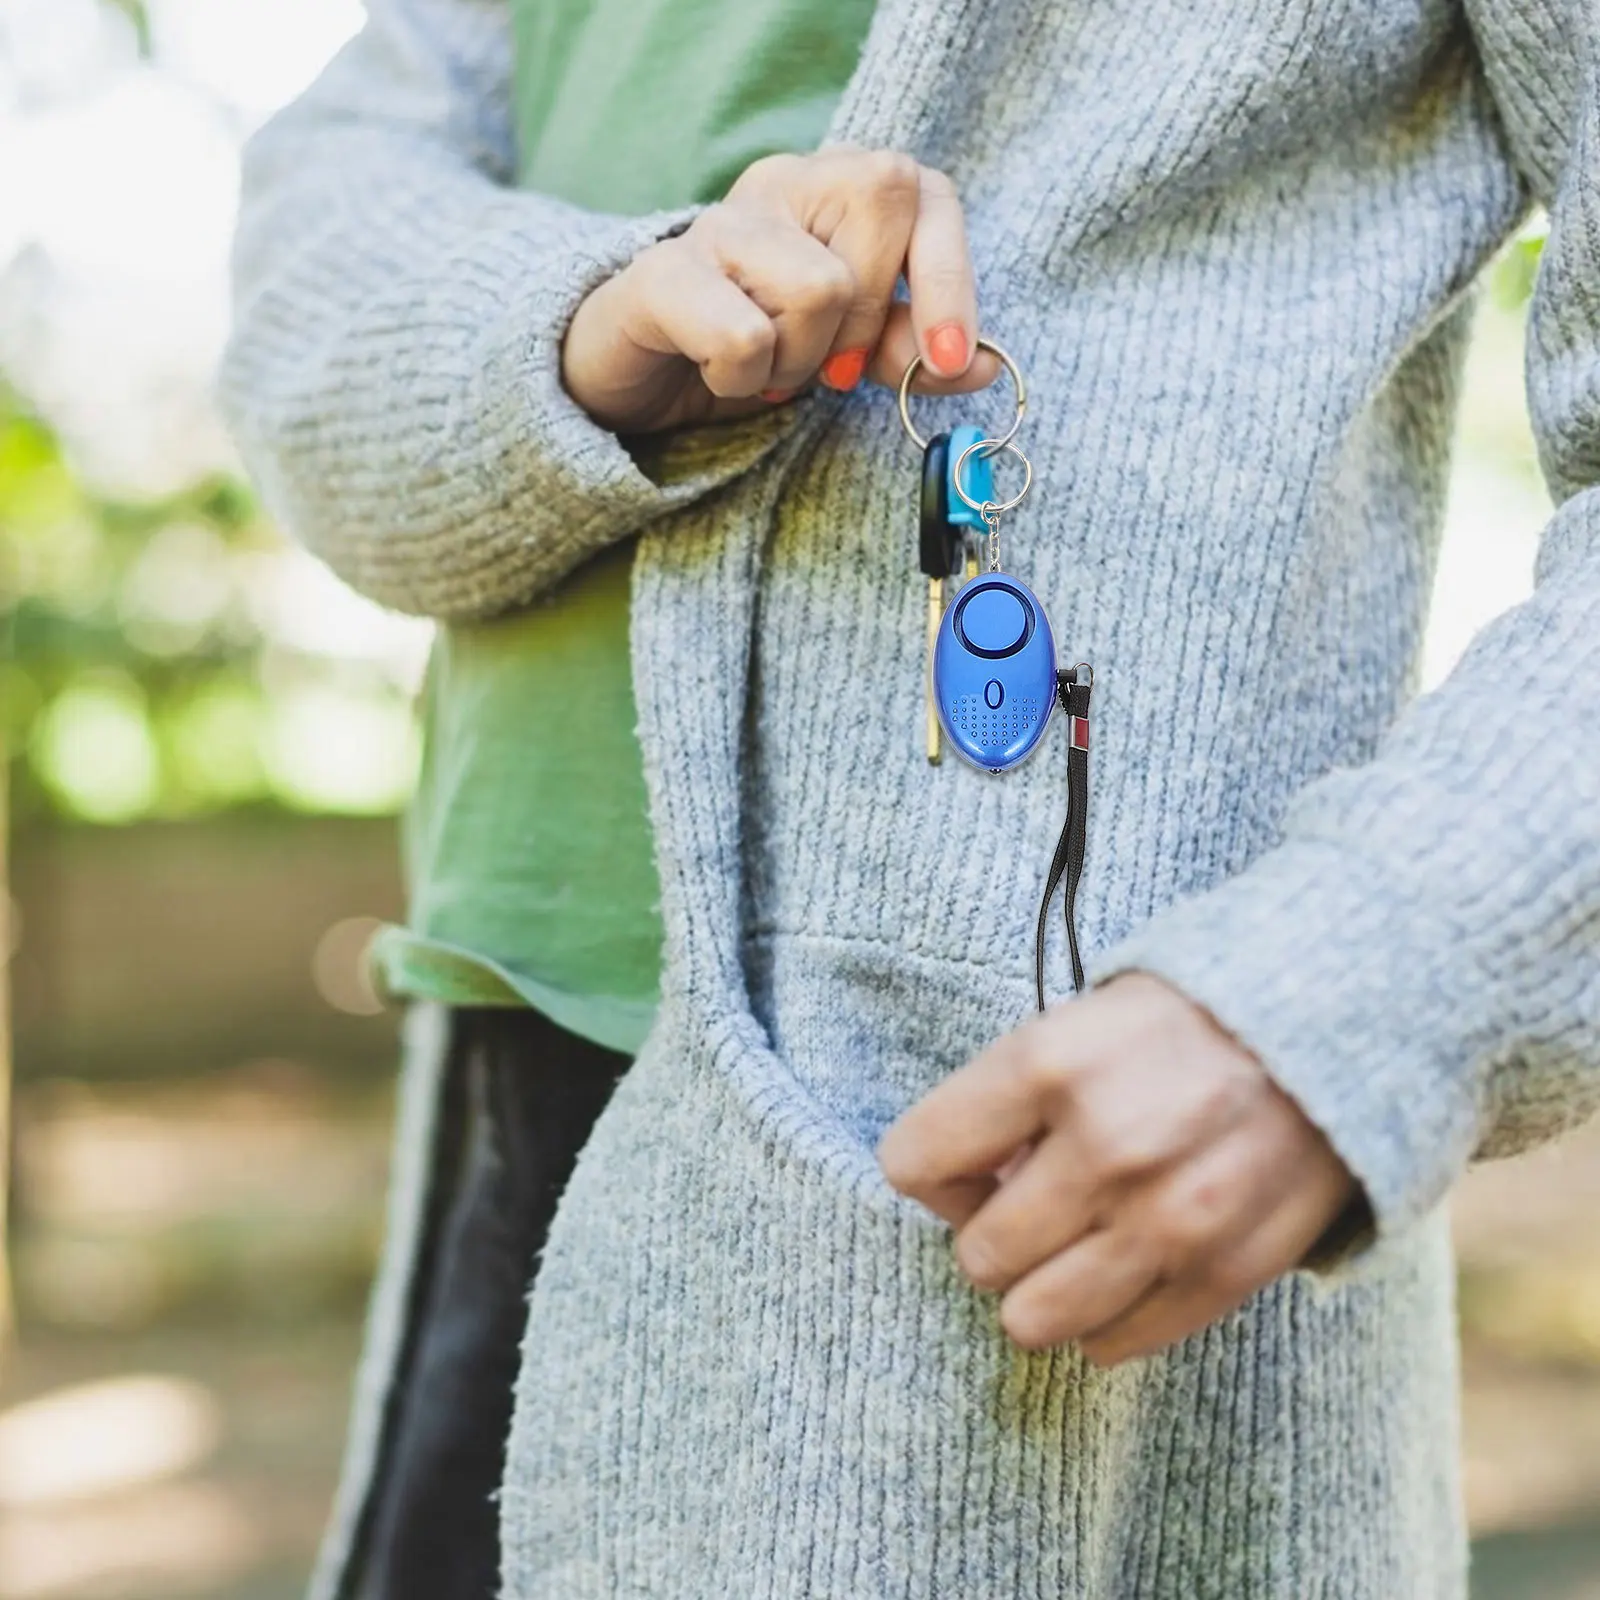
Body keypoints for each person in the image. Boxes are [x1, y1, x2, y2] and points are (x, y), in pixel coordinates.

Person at [219, 0, 1600, 1593]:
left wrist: (1364, 988)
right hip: (502, 1093)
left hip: (1059, 1165)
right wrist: (584, 319)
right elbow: (328, 207)